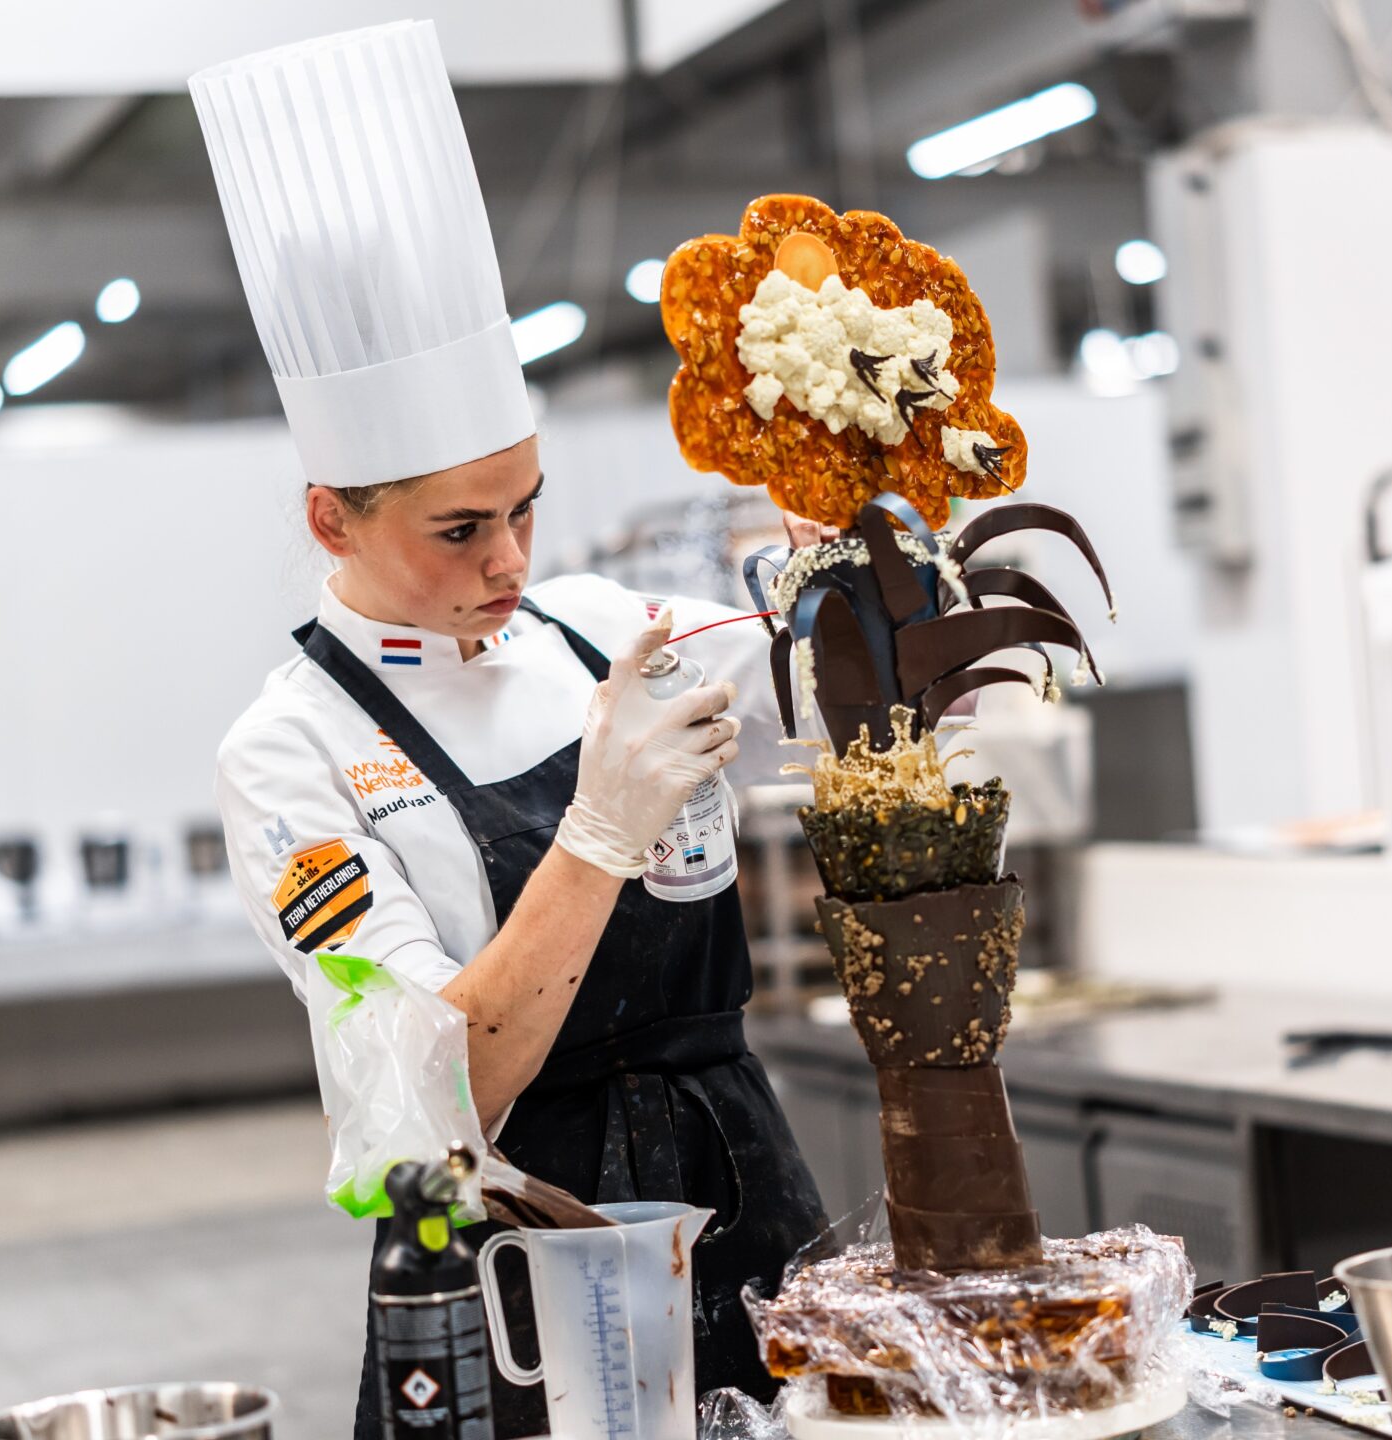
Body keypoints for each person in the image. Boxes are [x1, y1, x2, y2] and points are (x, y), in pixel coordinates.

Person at [191, 22, 826, 1437]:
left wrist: (847, 569)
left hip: (744, 1198)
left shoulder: (599, 631)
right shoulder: (291, 756)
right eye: (459, 529)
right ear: (330, 519)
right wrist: (596, 839)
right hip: (518, 1262)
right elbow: (442, 1095)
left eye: (526, 506)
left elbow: (835, 679)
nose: (510, 560)